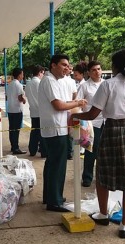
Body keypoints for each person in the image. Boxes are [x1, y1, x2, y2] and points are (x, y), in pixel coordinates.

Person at [70, 49, 125, 238]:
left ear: (115, 66)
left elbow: (93, 114)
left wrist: (75, 115)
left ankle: (103, 214)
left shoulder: (108, 85)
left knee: (103, 172)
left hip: (112, 131)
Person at [38, 54, 87, 212]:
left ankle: (51, 196)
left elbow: (62, 103)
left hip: (56, 127)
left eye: (68, 65)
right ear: (53, 65)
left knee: (53, 164)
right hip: (55, 128)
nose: (67, 68)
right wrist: (77, 103)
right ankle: (54, 201)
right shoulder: (49, 81)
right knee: (57, 165)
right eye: (63, 65)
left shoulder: (54, 81)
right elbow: (59, 105)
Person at [76, 60, 105, 187]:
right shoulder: (85, 86)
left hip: (107, 122)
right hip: (91, 123)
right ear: (89, 72)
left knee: (105, 152)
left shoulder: (107, 84)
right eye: (94, 70)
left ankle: (103, 177)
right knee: (90, 151)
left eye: (99, 69)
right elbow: (78, 104)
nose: (97, 71)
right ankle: (87, 177)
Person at [25, 65, 47, 158]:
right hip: (41, 111)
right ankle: (43, 152)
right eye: (43, 73)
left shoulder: (28, 84)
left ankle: (32, 150)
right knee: (43, 133)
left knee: (34, 132)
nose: (43, 75)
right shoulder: (40, 83)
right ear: (39, 72)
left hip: (33, 111)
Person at [6, 68, 27, 155]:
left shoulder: (9, 84)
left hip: (10, 109)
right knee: (16, 130)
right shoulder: (19, 85)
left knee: (11, 129)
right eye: (22, 74)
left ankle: (13, 146)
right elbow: (20, 98)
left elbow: (7, 97)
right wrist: (24, 100)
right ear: (19, 75)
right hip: (17, 110)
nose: (23, 76)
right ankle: (16, 148)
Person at [62, 64, 77, 160]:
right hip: (69, 109)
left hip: (62, 109)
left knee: (64, 132)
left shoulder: (58, 80)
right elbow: (75, 94)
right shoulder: (71, 81)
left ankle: (66, 152)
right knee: (70, 132)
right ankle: (70, 152)